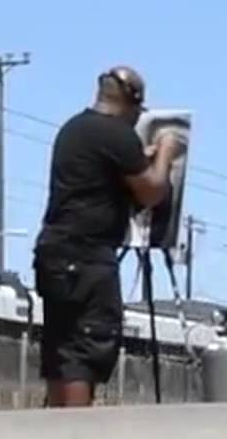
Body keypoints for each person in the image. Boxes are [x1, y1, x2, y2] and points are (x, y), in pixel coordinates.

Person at [32, 65, 184, 407]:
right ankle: (75, 435)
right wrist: (165, 155)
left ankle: (52, 432)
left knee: (62, 347)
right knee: (86, 348)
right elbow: (151, 192)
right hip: (87, 257)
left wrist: (137, 159)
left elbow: (105, 172)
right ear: (132, 105)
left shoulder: (74, 128)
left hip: (54, 252)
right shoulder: (117, 135)